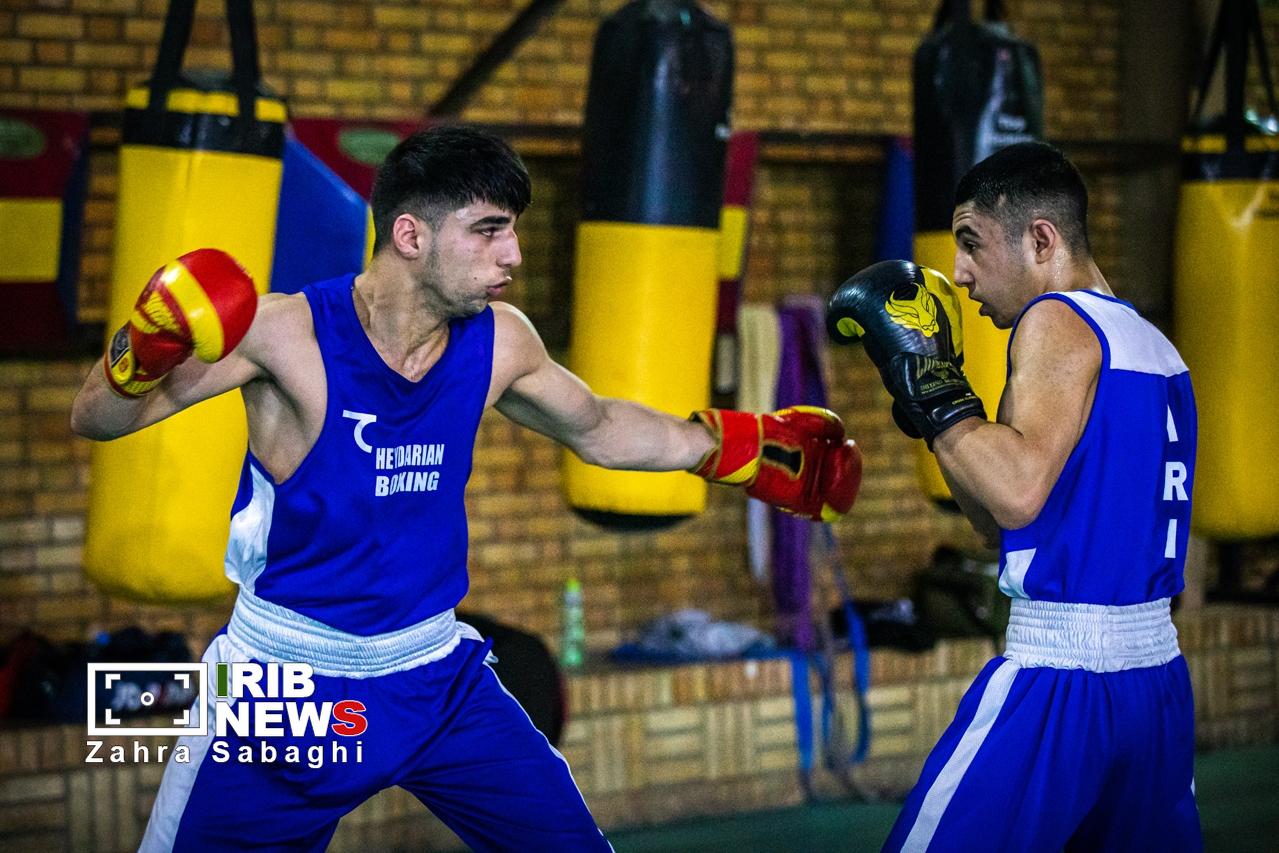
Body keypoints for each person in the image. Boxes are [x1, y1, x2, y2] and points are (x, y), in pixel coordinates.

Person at [71, 124, 861, 851]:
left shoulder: (500, 342)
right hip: (283, 689)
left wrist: (735, 448)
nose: (511, 253)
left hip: (434, 677)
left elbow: (597, 425)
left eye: (511, 229)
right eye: (488, 229)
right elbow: (98, 417)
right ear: (410, 235)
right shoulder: (285, 335)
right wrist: (143, 346)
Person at [828, 141, 1200, 851]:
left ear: (1041, 240)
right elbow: (997, 520)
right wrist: (941, 412)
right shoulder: (1153, 345)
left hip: (1063, 679)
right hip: (1155, 682)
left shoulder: (1055, 319)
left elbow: (1017, 492)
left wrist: (935, 392)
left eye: (971, 242)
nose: (960, 271)